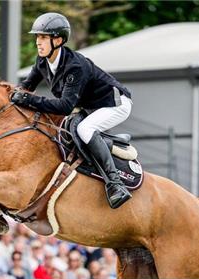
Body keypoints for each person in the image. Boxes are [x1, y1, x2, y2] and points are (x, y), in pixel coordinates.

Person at [10, 12, 132, 208]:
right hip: (91, 106)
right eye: (37, 37)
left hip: (114, 103)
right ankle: (106, 143)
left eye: (43, 37)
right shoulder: (43, 60)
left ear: (57, 39)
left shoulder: (75, 66)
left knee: (85, 130)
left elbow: (65, 106)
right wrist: (10, 99)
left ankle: (115, 184)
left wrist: (29, 99)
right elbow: (27, 86)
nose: (37, 42)